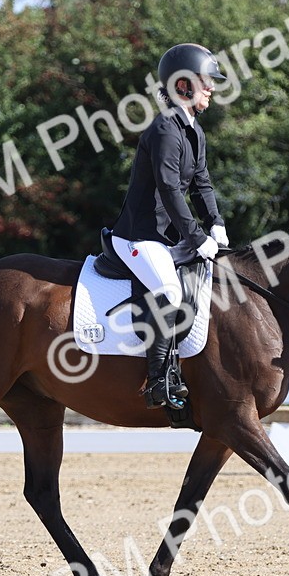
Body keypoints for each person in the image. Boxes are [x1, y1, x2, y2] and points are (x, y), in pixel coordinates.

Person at [111, 43, 230, 408]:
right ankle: (158, 381)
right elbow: (169, 188)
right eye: (205, 81)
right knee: (169, 291)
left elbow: (201, 183)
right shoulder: (165, 129)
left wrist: (216, 223)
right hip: (139, 236)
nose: (211, 88)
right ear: (183, 85)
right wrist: (197, 237)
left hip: (167, 238)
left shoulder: (193, 130)